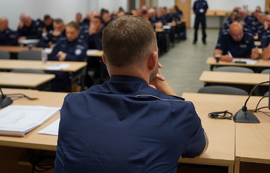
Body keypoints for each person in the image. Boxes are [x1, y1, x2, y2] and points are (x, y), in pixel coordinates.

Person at [54, 16, 208, 173]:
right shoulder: (179, 112)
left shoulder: (72, 104)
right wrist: (165, 88)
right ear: (153, 60)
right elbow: (200, 147)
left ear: (104, 59)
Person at [48, 21, 87, 92]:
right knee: (49, 75)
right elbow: (51, 56)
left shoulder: (82, 44)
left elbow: (79, 59)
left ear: (78, 32)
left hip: (72, 72)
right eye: (67, 32)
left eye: (72, 33)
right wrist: (59, 58)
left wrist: (66, 57)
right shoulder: (61, 41)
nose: (69, 35)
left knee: (61, 77)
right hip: (57, 68)